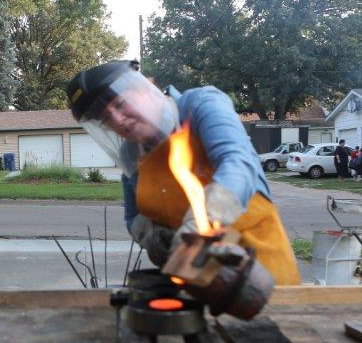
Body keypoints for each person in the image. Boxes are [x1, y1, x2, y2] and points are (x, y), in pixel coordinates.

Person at [66, 60, 300, 285]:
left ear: (145, 89)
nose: (118, 120)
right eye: (106, 118)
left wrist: (201, 223)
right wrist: (151, 234)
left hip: (260, 272)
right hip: (193, 276)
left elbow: (238, 162)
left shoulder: (201, 105)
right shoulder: (131, 153)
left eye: (120, 104)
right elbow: (133, 217)